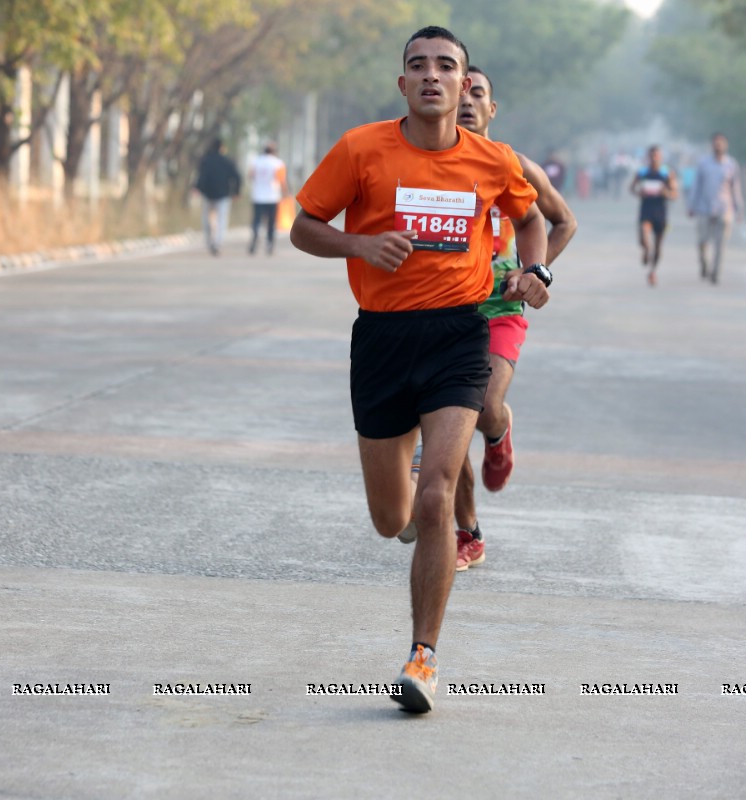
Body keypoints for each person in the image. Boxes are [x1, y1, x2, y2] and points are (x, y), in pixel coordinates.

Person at [289, 26, 550, 713]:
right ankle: (408, 515)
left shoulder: (492, 160)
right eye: (418, 66)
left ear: (467, 85)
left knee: (437, 492)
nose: (432, 76)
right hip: (381, 339)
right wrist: (359, 243)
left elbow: (533, 220)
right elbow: (304, 225)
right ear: (402, 84)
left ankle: (423, 657)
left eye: (446, 67)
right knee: (389, 518)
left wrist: (535, 271)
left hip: (459, 338)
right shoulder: (360, 149)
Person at [451, 64, 576, 572]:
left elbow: (562, 221)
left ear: (491, 108)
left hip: (502, 310)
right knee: (450, 421)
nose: (466, 101)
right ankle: (468, 533)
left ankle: (499, 433)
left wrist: (535, 273)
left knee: (484, 405)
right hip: (445, 312)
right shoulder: (427, 166)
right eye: (460, 91)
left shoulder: (517, 167)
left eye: (476, 92)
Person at [687, 133, 743, 285]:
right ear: (711, 145)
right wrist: (691, 205)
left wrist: (739, 209)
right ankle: (704, 264)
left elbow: (735, 188)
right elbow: (696, 186)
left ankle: (715, 272)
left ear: (726, 145)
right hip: (704, 208)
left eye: (721, 143)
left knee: (721, 244)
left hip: (724, 210)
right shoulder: (703, 164)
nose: (718, 146)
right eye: (715, 143)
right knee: (702, 241)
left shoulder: (731, 164)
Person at [629, 145, 677, 287]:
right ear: (648, 157)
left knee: (658, 247)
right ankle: (645, 249)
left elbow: (675, 194)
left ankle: (652, 271)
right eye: (651, 156)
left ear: (660, 157)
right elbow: (632, 188)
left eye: (656, 156)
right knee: (644, 236)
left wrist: (666, 193)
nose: (654, 159)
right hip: (646, 210)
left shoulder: (667, 174)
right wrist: (639, 192)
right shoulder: (642, 173)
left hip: (660, 212)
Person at [194, 138, 241, 255]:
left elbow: (200, 176)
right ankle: (217, 243)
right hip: (223, 195)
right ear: (221, 148)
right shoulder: (227, 161)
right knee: (221, 220)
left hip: (207, 194)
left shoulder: (205, 160)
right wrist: (236, 191)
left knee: (206, 220)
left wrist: (197, 188)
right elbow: (237, 176)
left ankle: (209, 241)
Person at [248, 142, 288, 255]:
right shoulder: (278, 163)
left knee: (256, 220)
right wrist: (285, 193)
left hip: (257, 196)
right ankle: (269, 243)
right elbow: (282, 180)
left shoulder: (256, 161)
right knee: (271, 222)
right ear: (274, 151)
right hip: (272, 197)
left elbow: (250, 176)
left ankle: (255, 235)